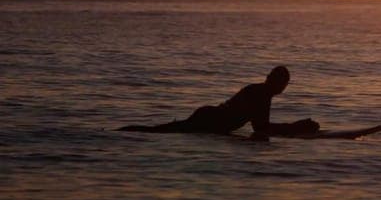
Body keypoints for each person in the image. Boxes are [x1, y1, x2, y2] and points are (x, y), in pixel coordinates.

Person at [118, 65, 319, 136]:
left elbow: (260, 127)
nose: (280, 86)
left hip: (209, 116)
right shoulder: (261, 94)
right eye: (280, 82)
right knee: (158, 131)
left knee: (160, 130)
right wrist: (296, 127)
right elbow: (261, 129)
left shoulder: (261, 91)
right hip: (210, 120)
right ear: (273, 81)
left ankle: (121, 132)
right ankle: (120, 133)